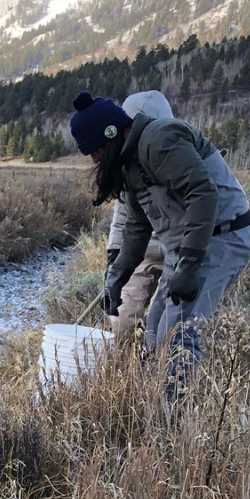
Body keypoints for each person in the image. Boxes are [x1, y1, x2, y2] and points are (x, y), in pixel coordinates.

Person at [71, 90, 250, 393]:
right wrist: (117, 278)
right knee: (155, 329)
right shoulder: (128, 163)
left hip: (221, 238)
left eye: (96, 149)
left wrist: (189, 265)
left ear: (112, 133)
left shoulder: (159, 139)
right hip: (185, 244)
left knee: (177, 334)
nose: (95, 158)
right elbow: (135, 225)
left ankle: (169, 423)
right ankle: (154, 398)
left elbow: (203, 194)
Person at [105, 90, 173, 345]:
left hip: (178, 252)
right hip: (140, 252)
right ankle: (122, 372)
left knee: (161, 322)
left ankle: (154, 374)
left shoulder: (179, 157)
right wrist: (113, 253)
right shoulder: (126, 164)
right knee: (122, 319)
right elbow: (123, 215)